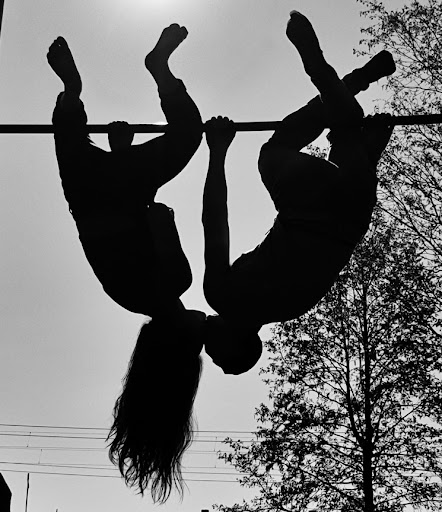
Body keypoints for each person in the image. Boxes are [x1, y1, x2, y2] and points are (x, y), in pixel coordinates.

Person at [48, 25, 206, 503]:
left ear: (183, 342)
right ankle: (70, 94)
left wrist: (124, 157)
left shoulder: (177, 279)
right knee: (70, 141)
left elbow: (153, 214)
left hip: (120, 190)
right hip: (85, 194)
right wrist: (118, 156)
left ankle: (160, 71)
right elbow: (111, 232)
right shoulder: (125, 298)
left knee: (188, 134)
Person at [202, 11, 395, 375]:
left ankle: (353, 97)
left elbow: (334, 248)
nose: (205, 346)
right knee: (273, 153)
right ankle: (328, 77)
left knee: (346, 127)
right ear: (233, 340)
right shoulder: (221, 296)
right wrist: (217, 151)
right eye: (213, 353)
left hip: (352, 210)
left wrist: (367, 161)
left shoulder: (292, 309)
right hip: (312, 210)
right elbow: (215, 219)